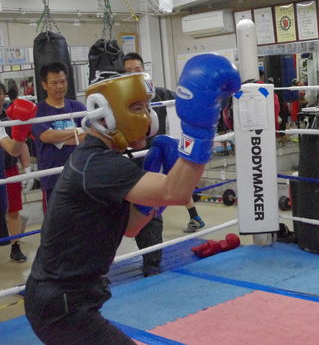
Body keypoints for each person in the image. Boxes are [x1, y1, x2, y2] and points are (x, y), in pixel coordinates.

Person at [24, 54, 241, 344]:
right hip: (62, 307)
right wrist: (199, 133)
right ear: (107, 114)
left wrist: (151, 193)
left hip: (68, 299)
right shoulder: (98, 164)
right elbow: (177, 192)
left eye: (148, 107)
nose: (148, 117)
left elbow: (131, 227)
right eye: (137, 108)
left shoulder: (104, 159)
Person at [122, 54, 205, 236]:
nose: (134, 75)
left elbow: (183, 100)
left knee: (166, 186)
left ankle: (194, 216)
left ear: (144, 72)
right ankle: (193, 216)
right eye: (128, 72)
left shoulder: (158, 94)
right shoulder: (120, 102)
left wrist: (203, 96)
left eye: (137, 70)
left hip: (155, 152)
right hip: (133, 157)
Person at [32, 62, 87, 213]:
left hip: (79, 173)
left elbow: (90, 134)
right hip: (52, 176)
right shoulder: (38, 111)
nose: (60, 86)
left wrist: (60, 140)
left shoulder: (77, 107)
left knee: (82, 217)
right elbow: (47, 136)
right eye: (54, 83)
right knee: (56, 219)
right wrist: (78, 130)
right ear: (44, 85)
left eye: (62, 81)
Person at [0, 84, 34, 262]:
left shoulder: (10, 116)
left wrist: (27, 169)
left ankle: (15, 247)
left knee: (13, 210)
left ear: (4, 95)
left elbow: (19, 147)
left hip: (9, 168)